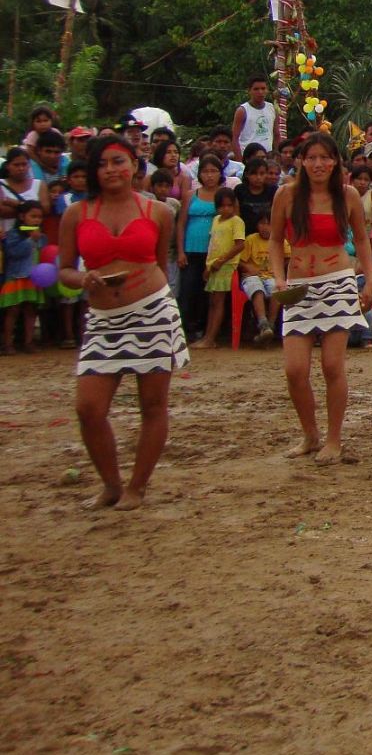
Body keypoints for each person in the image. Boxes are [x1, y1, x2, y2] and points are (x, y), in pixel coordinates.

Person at [59, 133, 186, 508]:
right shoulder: (76, 215)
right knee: (89, 408)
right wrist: (83, 279)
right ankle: (111, 483)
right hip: (103, 320)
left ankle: (137, 486)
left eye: (118, 161)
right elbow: (64, 268)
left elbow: (159, 264)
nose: (110, 170)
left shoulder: (158, 211)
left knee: (152, 404)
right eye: (102, 163)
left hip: (153, 313)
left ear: (134, 165)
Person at [269, 132, 372, 462]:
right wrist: (277, 278)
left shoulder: (348, 196)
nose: (318, 164)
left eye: (325, 158)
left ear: (335, 162)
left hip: (338, 283)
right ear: (301, 160)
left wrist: (370, 280)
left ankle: (334, 438)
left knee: (332, 365)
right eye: (311, 157)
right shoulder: (286, 195)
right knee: (295, 370)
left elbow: (361, 239)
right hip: (299, 286)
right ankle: (310, 434)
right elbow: (274, 241)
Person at [174, 155, 223, 342]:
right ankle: (186, 329)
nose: (209, 176)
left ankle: (203, 329)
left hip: (213, 253)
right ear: (199, 174)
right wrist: (180, 251)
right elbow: (181, 224)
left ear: (220, 173)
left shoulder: (223, 195)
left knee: (207, 294)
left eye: (213, 171)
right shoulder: (190, 195)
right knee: (188, 291)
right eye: (205, 171)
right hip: (190, 250)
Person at [199, 187, 245, 349]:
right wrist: (209, 265)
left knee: (218, 302)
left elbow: (240, 245)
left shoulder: (237, 221)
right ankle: (208, 336)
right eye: (222, 206)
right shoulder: (216, 220)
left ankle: (210, 338)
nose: (226, 209)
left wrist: (222, 260)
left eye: (229, 205)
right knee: (212, 302)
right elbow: (213, 245)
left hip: (225, 266)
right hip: (214, 265)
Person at [0, 199, 46, 353]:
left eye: (39, 217)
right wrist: (30, 240)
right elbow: (13, 253)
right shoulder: (13, 234)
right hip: (16, 277)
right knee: (12, 311)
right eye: (33, 216)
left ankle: (28, 342)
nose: (37, 220)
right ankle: (7, 344)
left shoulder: (40, 235)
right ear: (22, 217)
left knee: (30, 310)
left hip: (33, 278)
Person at [240, 212, 277, 342]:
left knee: (276, 288)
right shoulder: (251, 239)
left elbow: (288, 258)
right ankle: (263, 324)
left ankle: (271, 326)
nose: (265, 227)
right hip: (252, 276)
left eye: (269, 223)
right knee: (257, 288)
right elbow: (241, 260)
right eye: (262, 223)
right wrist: (249, 268)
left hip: (272, 276)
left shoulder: (279, 240)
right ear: (257, 225)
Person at [231, 77, 278, 157]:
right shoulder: (242, 111)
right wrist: (240, 161)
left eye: (263, 88)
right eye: (256, 89)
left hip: (267, 156)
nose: (260, 92)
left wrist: (277, 154)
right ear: (249, 91)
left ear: (267, 90)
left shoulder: (272, 108)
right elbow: (234, 138)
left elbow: (277, 134)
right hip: (249, 157)